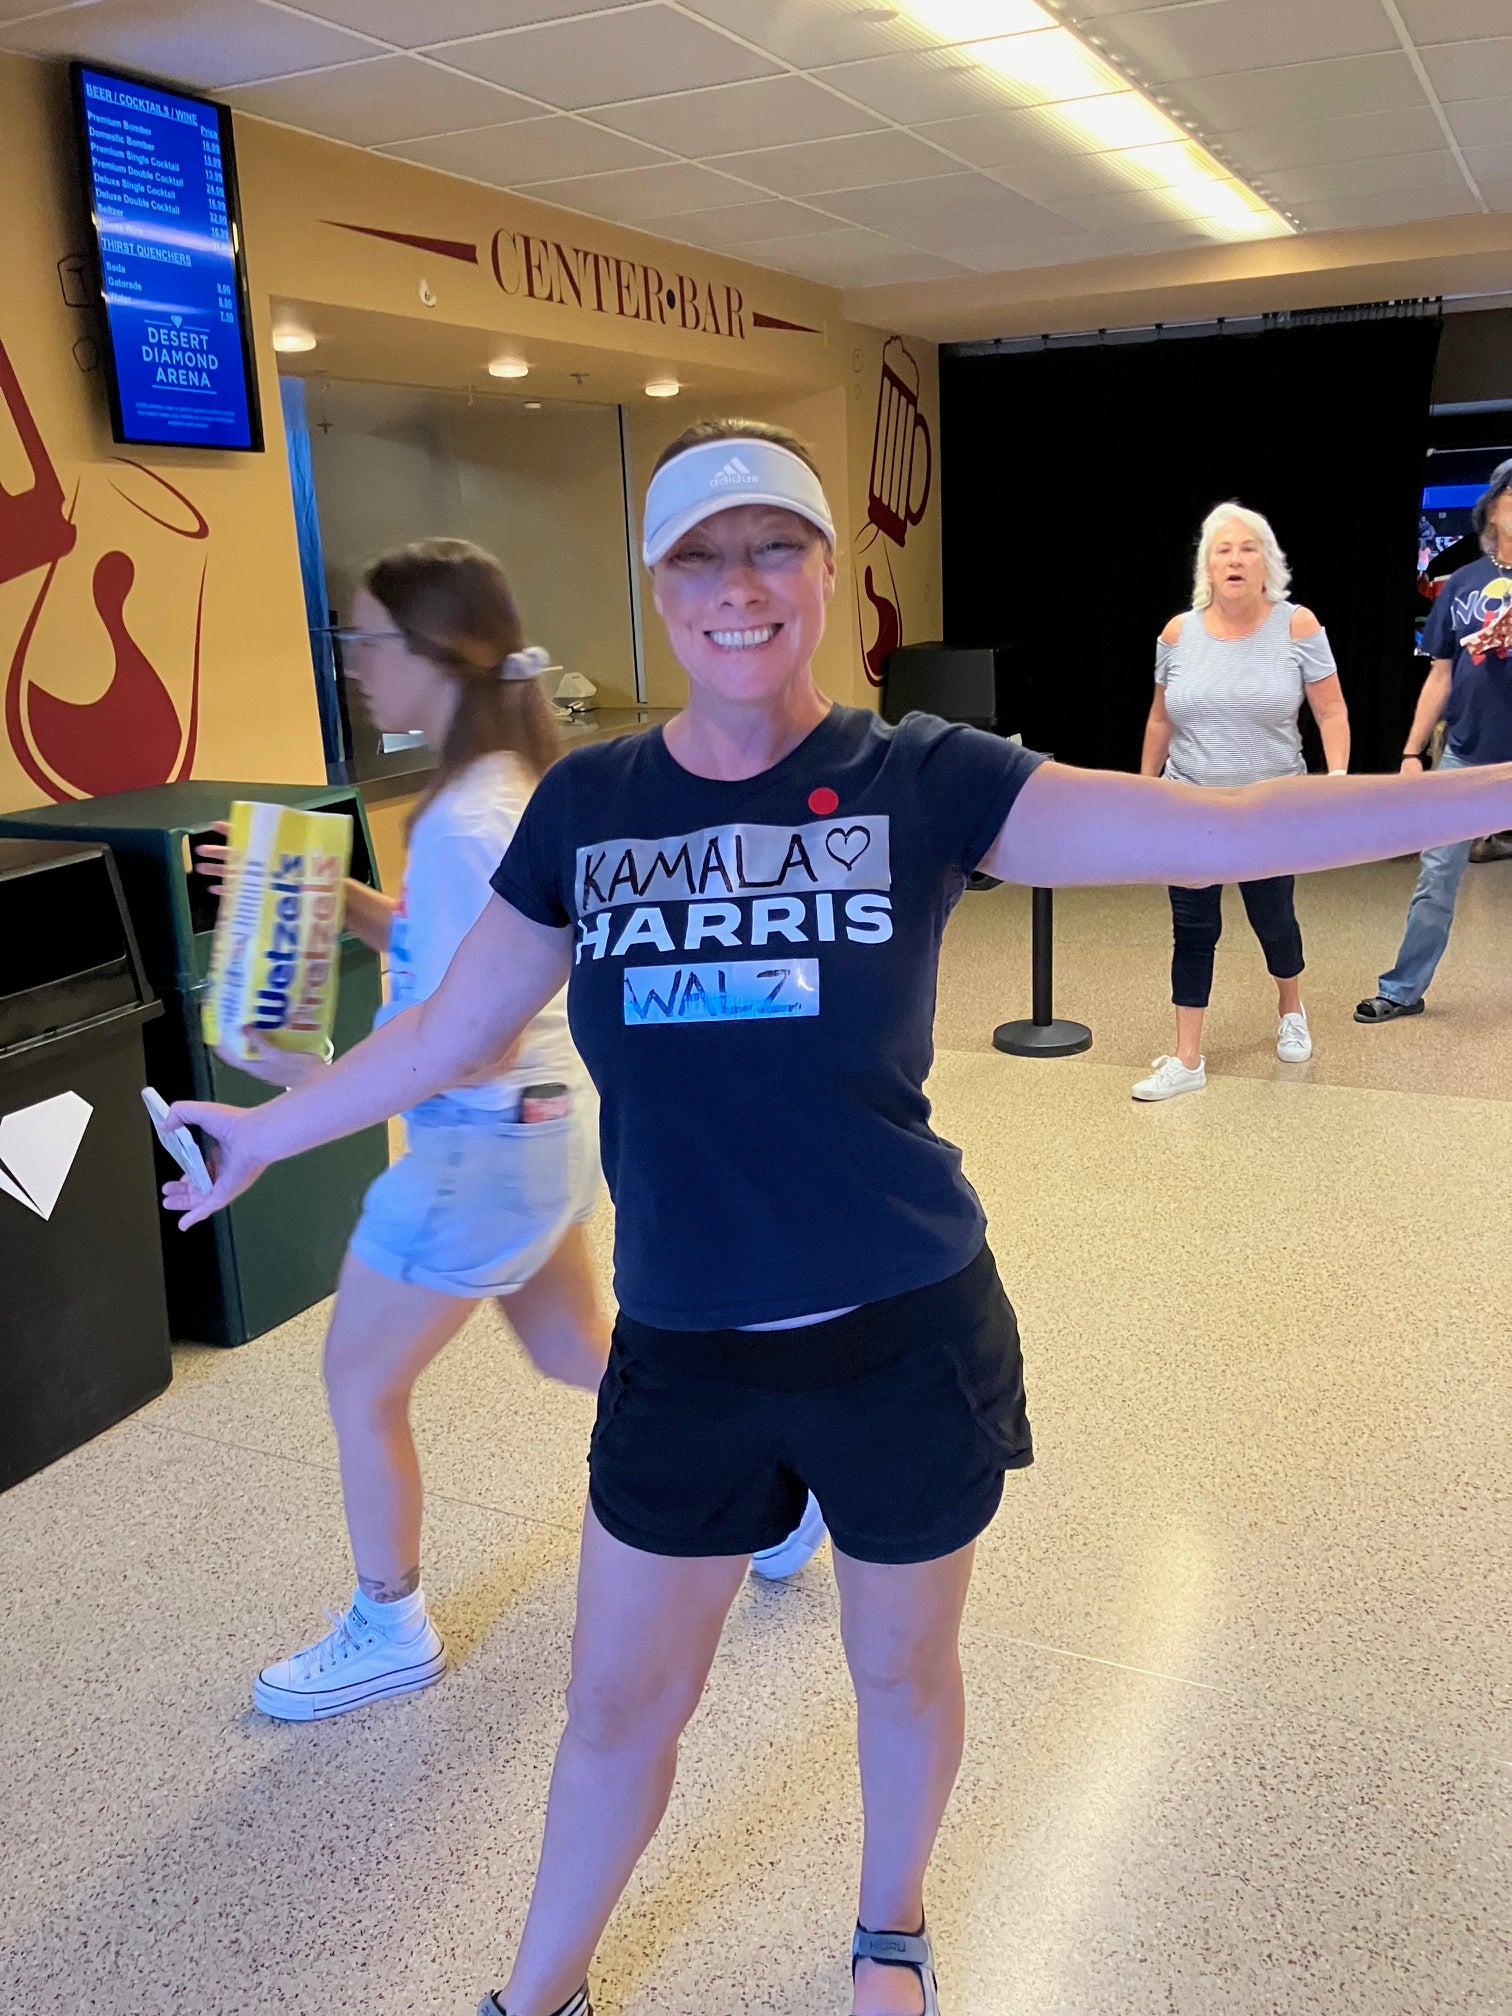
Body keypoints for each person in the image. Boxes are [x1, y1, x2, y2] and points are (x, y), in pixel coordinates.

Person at [162, 425, 1512, 2016]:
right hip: (682, 1355)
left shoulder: (923, 780)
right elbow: (451, 1031)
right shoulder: (588, 806)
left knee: (897, 1670)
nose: (739, 587)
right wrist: (267, 1130)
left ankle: (891, 1929)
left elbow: (1224, 831)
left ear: (829, 578)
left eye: (774, 548)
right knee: (615, 1713)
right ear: (660, 591)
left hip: (904, 1332)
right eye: (699, 557)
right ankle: (537, 1992)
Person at [220, 539, 611, 1721]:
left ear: (434, 650)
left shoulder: (462, 816)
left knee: (358, 1382)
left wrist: (284, 1117)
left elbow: (465, 1033)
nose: (353, 665)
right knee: (577, 1353)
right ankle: (771, 1486)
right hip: (541, 1130)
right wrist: (346, 906)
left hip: (474, 1146)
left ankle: (386, 1622)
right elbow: (485, 965)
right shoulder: (504, 789)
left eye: (364, 640)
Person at [1134, 503, 1350, 1101]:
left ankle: (1291, 1008)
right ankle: (1187, 1058)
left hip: (1267, 806)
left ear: (1266, 564)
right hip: (1190, 804)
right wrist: (1145, 790)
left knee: (1273, 918)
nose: (1234, 559)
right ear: (1207, 564)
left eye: (1246, 549)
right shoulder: (1178, 633)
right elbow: (1159, 720)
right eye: (1222, 549)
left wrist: (1335, 780)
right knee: (1192, 926)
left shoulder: (1297, 626)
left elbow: (1330, 710)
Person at [1357, 457, 1512, 1023]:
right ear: (1492, 508)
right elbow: (1439, 676)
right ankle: (1402, 989)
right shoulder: (1461, 585)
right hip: (1467, 755)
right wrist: (1410, 752)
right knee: (1437, 877)